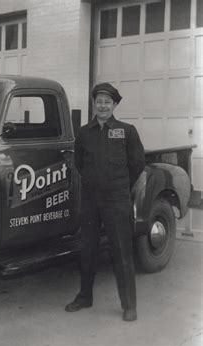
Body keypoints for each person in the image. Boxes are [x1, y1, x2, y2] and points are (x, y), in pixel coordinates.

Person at [65, 83, 145, 322]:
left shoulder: (127, 131)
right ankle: (85, 296)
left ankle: (129, 305)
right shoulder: (84, 132)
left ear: (115, 105)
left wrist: (118, 185)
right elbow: (79, 162)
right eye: (99, 101)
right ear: (94, 104)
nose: (102, 106)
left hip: (117, 199)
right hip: (90, 199)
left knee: (122, 252)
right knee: (87, 249)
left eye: (107, 102)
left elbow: (137, 164)